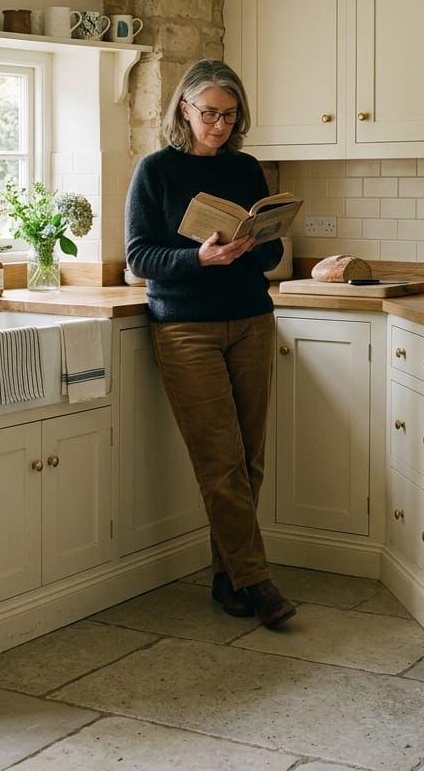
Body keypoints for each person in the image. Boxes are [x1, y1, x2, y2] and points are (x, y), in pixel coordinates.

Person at [124, 59, 296, 628]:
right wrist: (197, 257)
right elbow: (139, 258)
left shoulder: (246, 169)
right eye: (209, 113)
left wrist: (259, 244)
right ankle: (259, 581)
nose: (219, 125)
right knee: (220, 463)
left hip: (251, 319)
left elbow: (272, 254)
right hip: (186, 330)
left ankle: (229, 578)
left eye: (230, 115)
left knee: (248, 460)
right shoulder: (155, 171)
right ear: (184, 109)